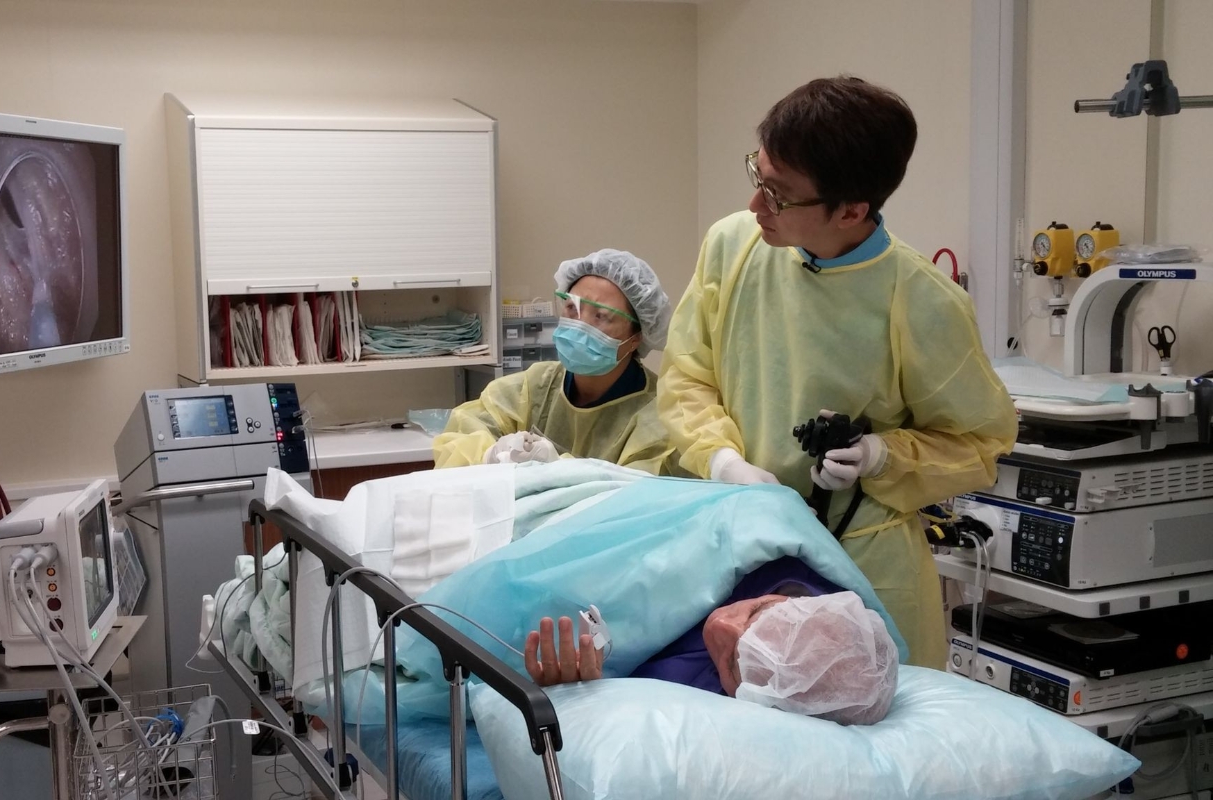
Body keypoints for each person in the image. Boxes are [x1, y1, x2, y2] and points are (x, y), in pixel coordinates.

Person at [657, 77, 1018, 669]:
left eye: (778, 195)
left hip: (864, 567)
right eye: (758, 177)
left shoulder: (922, 300)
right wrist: (722, 461)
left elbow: (980, 442)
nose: (755, 207)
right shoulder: (733, 246)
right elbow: (687, 376)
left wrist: (883, 455)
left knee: (871, 712)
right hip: (737, 542)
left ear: (851, 209)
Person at [524, 556, 900, 726]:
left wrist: (581, 698)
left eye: (734, 661)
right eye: (758, 610)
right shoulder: (785, 563)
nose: (720, 624)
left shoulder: (691, 709)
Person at [433, 249, 678, 474]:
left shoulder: (661, 415)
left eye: (601, 316)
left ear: (636, 338)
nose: (579, 324)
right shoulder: (535, 386)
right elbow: (462, 434)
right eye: (572, 307)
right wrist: (489, 455)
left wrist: (558, 469)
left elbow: (639, 493)